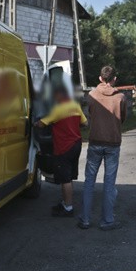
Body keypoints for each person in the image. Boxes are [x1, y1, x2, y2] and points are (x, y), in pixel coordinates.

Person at [79, 65, 129, 231]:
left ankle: (85, 219)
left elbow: (89, 115)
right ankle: (107, 220)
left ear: (100, 78)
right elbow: (123, 118)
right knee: (109, 182)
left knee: (89, 181)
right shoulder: (120, 97)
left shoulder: (92, 95)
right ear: (114, 79)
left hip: (95, 142)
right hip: (113, 143)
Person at [35, 85, 87, 217]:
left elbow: (42, 124)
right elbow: (85, 123)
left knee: (65, 179)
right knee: (68, 177)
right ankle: (65, 202)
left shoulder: (57, 109)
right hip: (76, 145)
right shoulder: (75, 106)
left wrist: (35, 123)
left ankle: (68, 208)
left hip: (64, 147)